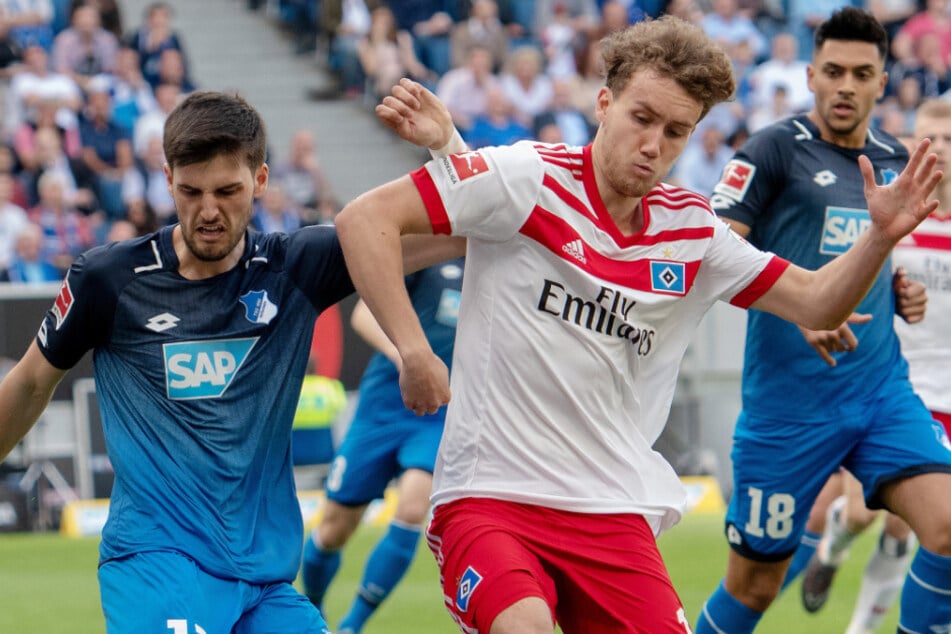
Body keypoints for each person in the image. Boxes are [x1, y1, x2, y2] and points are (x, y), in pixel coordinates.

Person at [333, 15, 942, 633]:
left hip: (613, 508)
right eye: (642, 118)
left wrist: (879, 237)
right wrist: (413, 350)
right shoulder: (527, 176)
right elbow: (364, 221)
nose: (653, 144)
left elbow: (817, 302)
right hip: (491, 497)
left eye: (676, 131)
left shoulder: (693, 230)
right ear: (604, 104)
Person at [0, 90, 462, 633]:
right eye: (190, 191)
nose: (208, 211)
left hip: (264, 584)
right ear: (167, 179)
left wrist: (447, 147)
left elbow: (462, 231)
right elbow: (30, 383)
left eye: (227, 191)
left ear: (260, 180)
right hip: (157, 563)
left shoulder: (295, 268)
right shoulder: (109, 280)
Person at [695, 9, 951, 634]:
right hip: (789, 410)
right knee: (754, 588)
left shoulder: (894, 159)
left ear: (882, 83)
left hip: (881, 394)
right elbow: (709, 252)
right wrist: (801, 307)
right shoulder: (772, 150)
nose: (845, 86)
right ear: (810, 76)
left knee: (947, 527)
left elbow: (874, 255)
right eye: (833, 71)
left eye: (861, 74)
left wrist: (899, 290)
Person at [300, 256, 464, 634]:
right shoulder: (432, 258)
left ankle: (352, 626)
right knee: (333, 530)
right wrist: (407, 358)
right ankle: (313, 610)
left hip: (436, 414)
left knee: (412, 509)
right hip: (383, 409)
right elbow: (363, 315)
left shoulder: (495, 269)